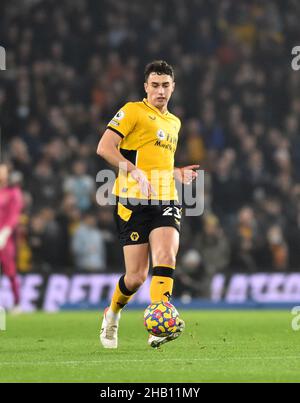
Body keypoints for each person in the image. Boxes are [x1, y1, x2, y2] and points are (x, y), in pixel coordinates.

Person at [97, 60, 199, 348]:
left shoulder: (174, 122)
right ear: (146, 87)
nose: (160, 91)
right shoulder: (132, 111)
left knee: (166, 257)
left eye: (166, 85)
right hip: (132, 202)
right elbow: (104, 148)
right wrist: (134, 171)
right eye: (155, 85)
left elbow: (158, 164)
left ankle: (160, 323)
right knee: (136, 276)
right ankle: (113, 313)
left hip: (166, 199)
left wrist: (176, 173)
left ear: (173, 87)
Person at [0, 164, 24, 312]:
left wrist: (4, 233)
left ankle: (16, 303)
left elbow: (14, 215)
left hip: (5, 237)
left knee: (10, 271)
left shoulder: (13, 192)